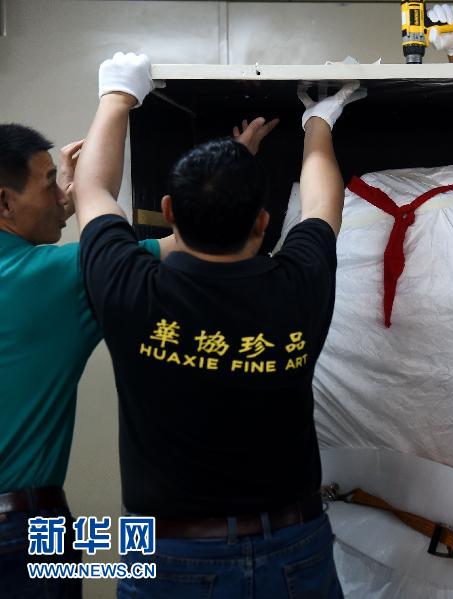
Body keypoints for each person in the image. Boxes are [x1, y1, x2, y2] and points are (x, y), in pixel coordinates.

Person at [73, 52, 364, 597]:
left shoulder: (131, 289)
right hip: (294, 548)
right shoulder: (297, 286)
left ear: (168, 211)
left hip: (168, 556)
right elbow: (324, 204)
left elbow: (91, 190)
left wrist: (116, 95)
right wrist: (318, 121)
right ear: (264, 222)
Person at [0, 123, 171, 596]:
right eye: (49, 185)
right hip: (21, 535)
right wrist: (226, 184)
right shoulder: (54, 278)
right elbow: (193, 247)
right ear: (5, 203)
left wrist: (65, 198)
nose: (63, 195)